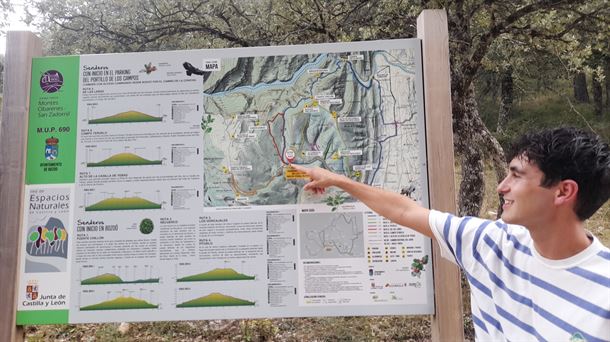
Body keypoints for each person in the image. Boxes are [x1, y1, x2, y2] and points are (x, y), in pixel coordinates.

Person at [291, 127, 610, 341]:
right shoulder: (489, 244)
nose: (501, 187)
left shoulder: (603, 294)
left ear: (563, 192)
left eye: (516, 175)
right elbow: (405, 211)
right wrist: (337, 180)